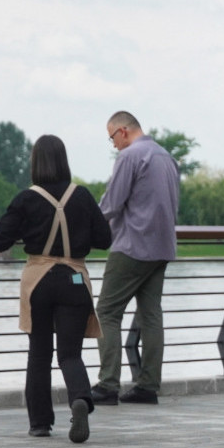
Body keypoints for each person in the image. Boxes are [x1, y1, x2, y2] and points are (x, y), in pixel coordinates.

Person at [0, 135, 112, 442]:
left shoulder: (26, 199)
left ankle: (40, 424)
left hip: (40, 281)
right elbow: (105, 240)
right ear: (64, 161)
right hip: (73, 278)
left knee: (39, 354)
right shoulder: (82, 196)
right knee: (70, 354)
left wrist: (28, 230)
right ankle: (80, 401)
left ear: (35, 163)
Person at [91, 111, 180, 406]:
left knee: (106, 312)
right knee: (151, 314)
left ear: (123, 131)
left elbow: (111, 204)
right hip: (161, 247)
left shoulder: (130, 157)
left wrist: (86, 224)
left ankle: (107, 386)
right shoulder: (166, 157)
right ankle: (148, 386)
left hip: (132, 246)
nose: (113, 145)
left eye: (112, 138)